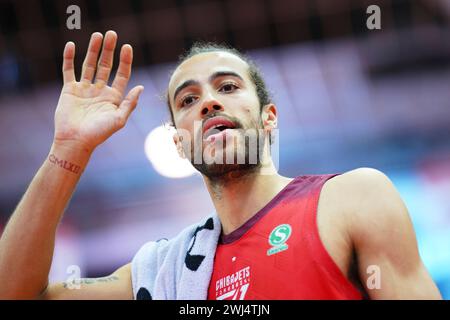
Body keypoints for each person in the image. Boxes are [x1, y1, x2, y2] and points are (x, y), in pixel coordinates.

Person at [0, 31, 442, 300]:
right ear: (179, 144)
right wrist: (69, 150)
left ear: (269, 118)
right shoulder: (165, 269)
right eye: (188, 101)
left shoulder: (352, 197)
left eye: (227, 86)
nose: (209, 101)